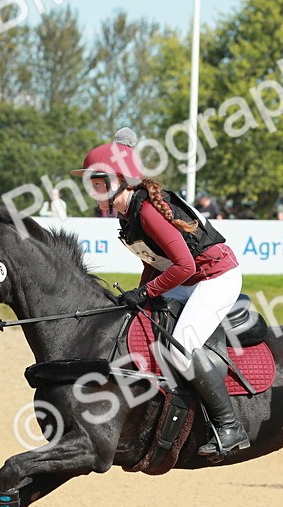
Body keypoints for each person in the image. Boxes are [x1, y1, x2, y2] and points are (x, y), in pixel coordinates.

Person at [72, 127, 249, 459]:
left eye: (97, 184)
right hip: (190, 278)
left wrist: (147, 291)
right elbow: (157, 262)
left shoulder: (147, 210)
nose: (92, 192)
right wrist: (141, 294)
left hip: (216, 277)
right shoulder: (128, 217)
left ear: (118, 181)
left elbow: (181, 265)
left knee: (182, 349)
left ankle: (230, 427)